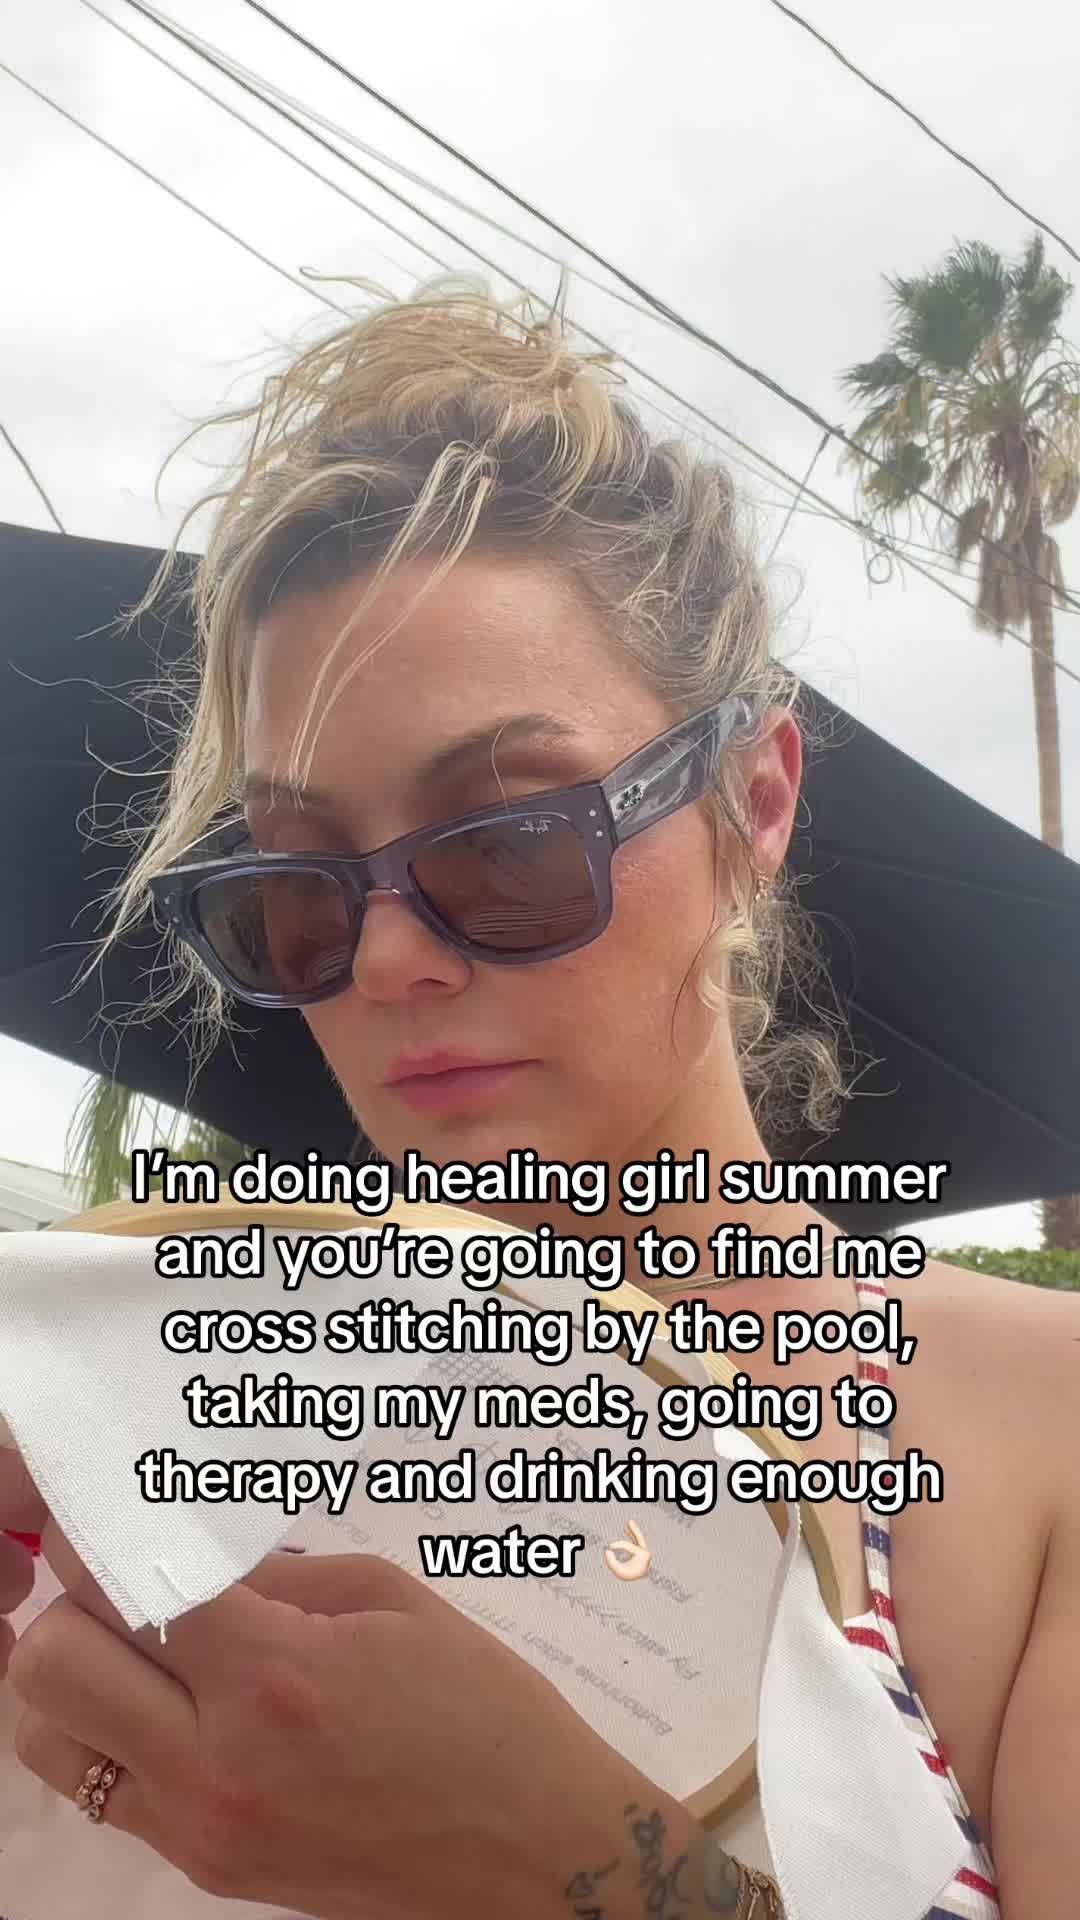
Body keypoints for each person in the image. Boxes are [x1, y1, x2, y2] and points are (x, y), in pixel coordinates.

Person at [2, 280, 1077, 1918]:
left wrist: (568, 1873)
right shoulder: (122, 1361)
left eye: (508, 840)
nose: (385, 961)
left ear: (755, 797)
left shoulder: (1041, 1430)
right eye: (297, 889)